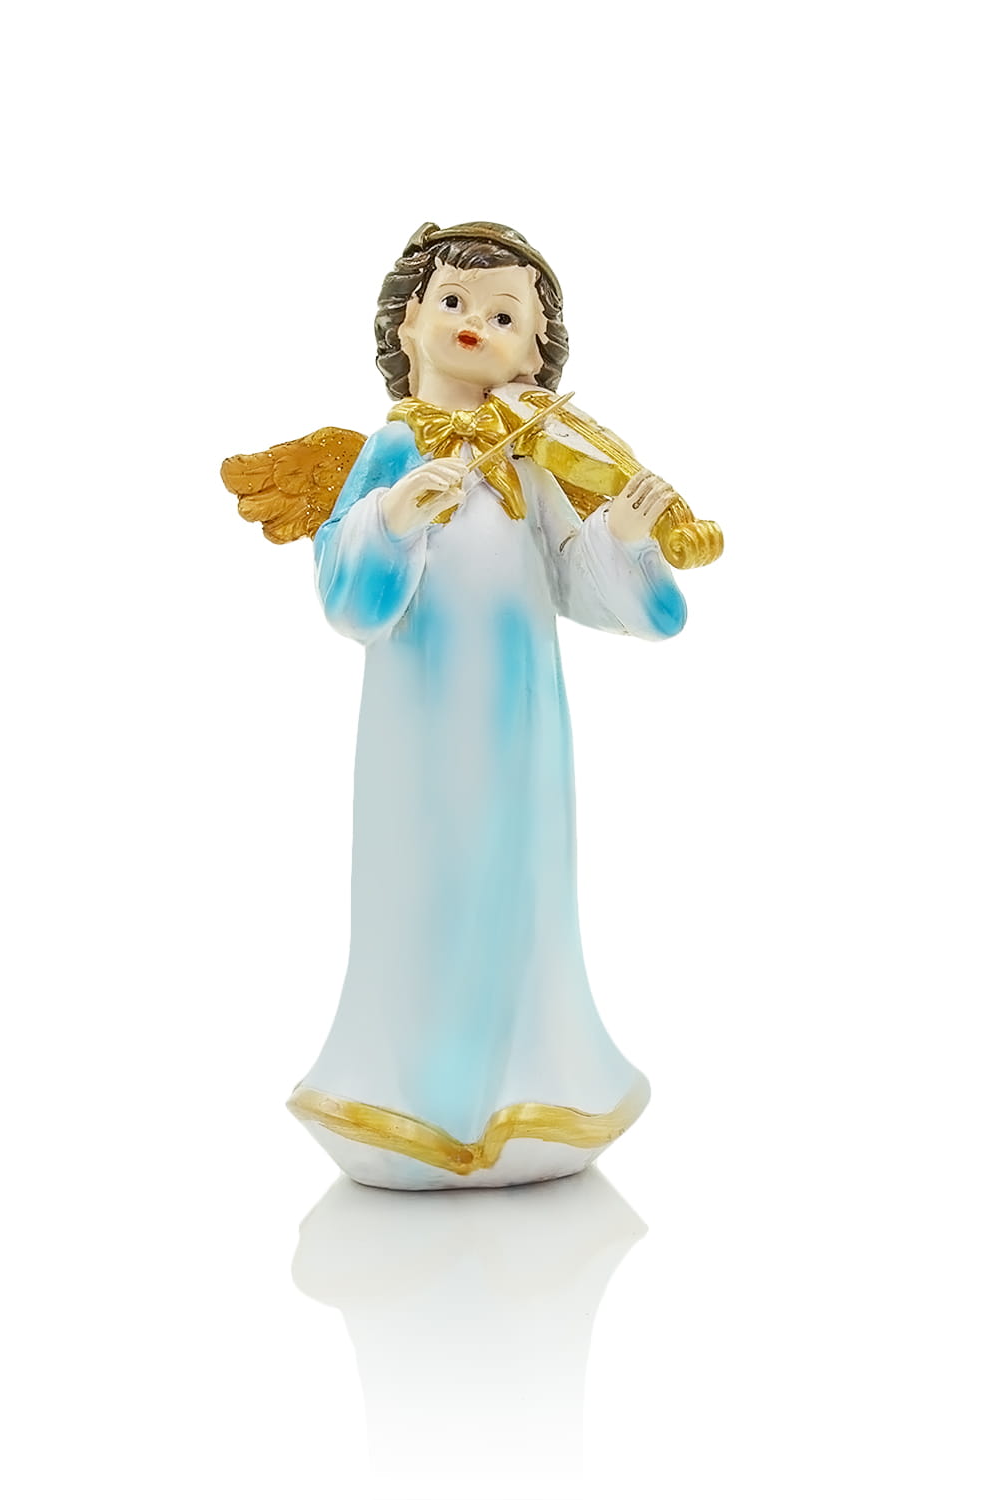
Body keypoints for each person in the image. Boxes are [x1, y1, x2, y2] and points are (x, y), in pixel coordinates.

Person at [284, 221, 693, 1189]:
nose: (477, 323)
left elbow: (578, 584)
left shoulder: (533, 463)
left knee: (522, 891)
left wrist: (623, 538)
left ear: (535, 354)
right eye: (456, 302)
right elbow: (346, 598)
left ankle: (533, 1084)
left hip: (521, 734)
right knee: (426, 892)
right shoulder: (393, 447)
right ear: (409, 322)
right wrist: (392, 518)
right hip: (420, 732)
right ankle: (413, 1094)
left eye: (506, 315)